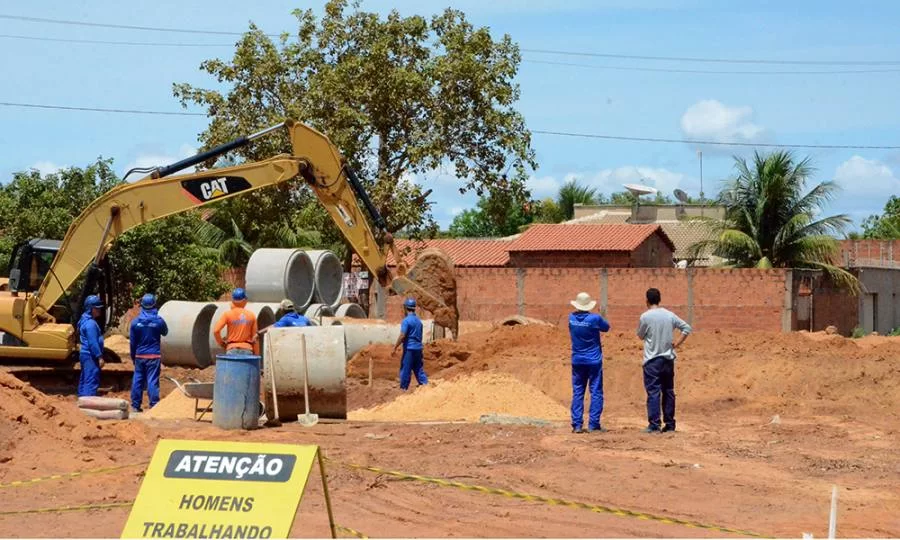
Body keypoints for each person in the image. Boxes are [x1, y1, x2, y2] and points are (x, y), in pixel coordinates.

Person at [637, 287, 692, 434]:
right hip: (668, 359)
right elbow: (686, 328)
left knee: (654, 392)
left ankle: (654, 424)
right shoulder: (669, 315)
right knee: (668, 391)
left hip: (652, 360)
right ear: (659, 299)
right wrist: (677, 344)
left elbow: (641, 335)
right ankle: (670, 424)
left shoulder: (645, 317)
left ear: (647, 301)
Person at [567, 292, 611, 434]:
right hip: (593, 360)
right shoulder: (594, 319)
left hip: (577, 360)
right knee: (596, 391)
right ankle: (593, 424)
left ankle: (577, 424)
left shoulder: (571, 318)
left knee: (578, 391)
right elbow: (606, 327)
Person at [129, 293, 168, 412]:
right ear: (154, 305)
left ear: (142, 306)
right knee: (152, 380)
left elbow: (132, 342)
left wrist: (133, 357)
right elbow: (165, 332)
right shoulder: (159, 321)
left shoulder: (135, 323)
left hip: (140, 355)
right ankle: (154, 405)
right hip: (154, 355)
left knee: (138, 379)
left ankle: (135, 406)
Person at [392, 297, 427, 391]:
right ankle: (425, 385)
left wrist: (395, 347)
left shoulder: (406, 321)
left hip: (409, 349)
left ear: (406, 308)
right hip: (418, 348)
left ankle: (403, 388)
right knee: (418, 368)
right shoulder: (419, 322)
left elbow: (403, 335)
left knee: (405, 369)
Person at [212, 288, 259, 356]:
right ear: (244, 300)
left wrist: (222, 344)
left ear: (233, 300)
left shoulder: (227, 314)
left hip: (232, 349)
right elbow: (255, 338)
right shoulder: (251, 315)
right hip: (247, 349)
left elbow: (216, 331)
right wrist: (256, 355)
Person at [77, 295, 105, 397]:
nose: (99, 310)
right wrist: (99, 356)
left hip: (86, 355)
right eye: (97, 308)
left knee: (85, 379)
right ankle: (87, 406)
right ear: (90, 308)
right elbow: (93, 342)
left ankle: (81, 402)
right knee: (91, 379)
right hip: (90, 356)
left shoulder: (84, 320)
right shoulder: (90, 324)